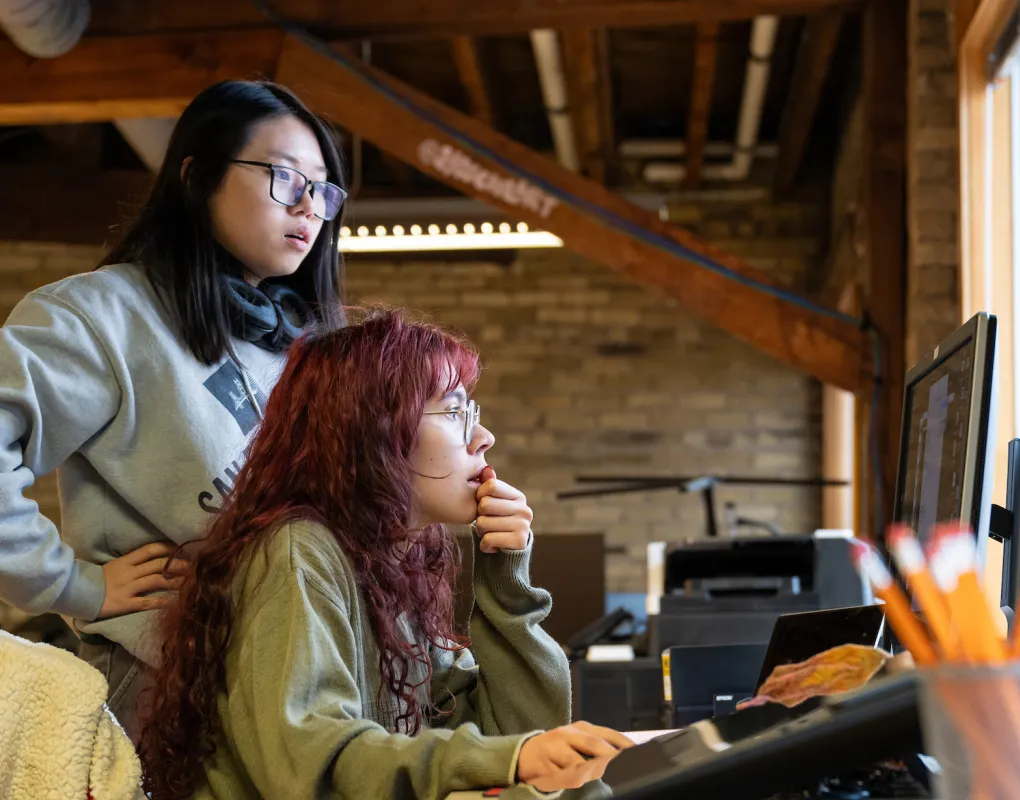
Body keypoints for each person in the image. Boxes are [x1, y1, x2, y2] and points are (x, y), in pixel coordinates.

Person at [137, 310, 633, 799]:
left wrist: (506, 579)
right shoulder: (298, 553)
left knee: (582, 792)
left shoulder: (390, 566)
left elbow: (521, 739)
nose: (484, 438)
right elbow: (308, 766)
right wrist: (506, 759)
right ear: (373, 431)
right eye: (454, 412)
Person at [0, 80, 347, 733]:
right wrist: (70, 584)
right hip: (167, 690)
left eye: (324, 190)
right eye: (285, 177)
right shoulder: (100, 315)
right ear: (197, 177)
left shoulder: (301, 341)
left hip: (300, 686)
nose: (310, 206)